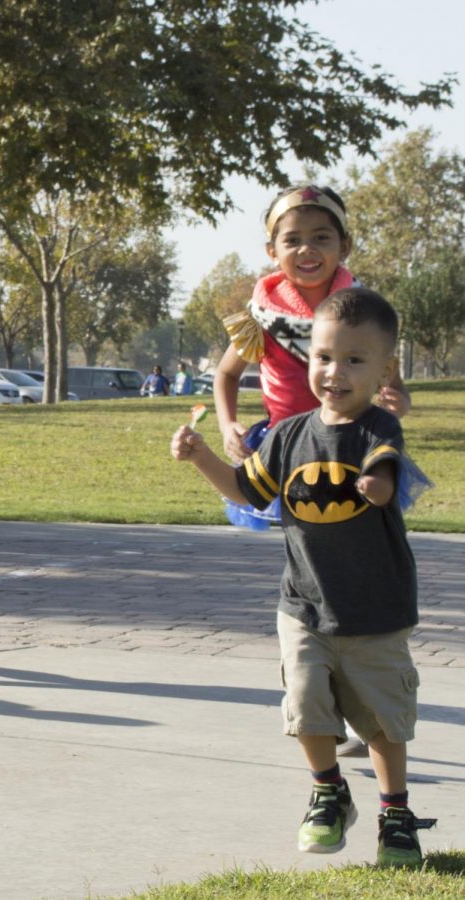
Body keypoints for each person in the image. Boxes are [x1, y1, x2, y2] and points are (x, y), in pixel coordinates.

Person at [170, 288, 436, 867]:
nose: (334, 372)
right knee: (306, 702)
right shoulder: (289, 435)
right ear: (307, 357)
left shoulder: (378, 429)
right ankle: (328, 790)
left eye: (354, 361)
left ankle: (395, 813)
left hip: (376, 611)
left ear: (384, 370)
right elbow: (246, 489)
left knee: (384, 721)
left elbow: (385, 471)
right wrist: (201, 460)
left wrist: (378, 489)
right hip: (305, 607)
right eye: (322, 357)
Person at [213, 184, 412, 530]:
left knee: (352, 528)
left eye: (321, 238)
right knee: (301, 534)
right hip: (287, 444)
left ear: (344, 246)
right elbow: (226, 375)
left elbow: (391, 381)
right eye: (292, 241)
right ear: (272, 251)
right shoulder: (262, 317)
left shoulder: (360, 314)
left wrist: (399, 403)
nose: (307, 249)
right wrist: (228, 424)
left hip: (351, 442)